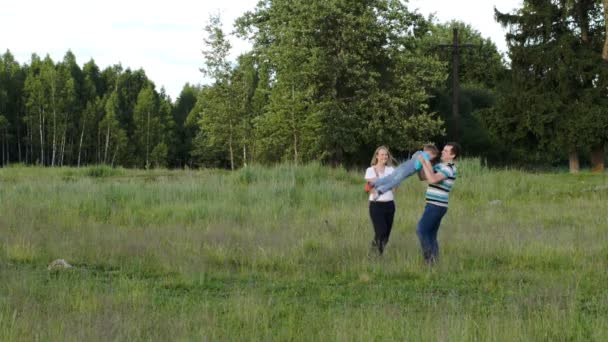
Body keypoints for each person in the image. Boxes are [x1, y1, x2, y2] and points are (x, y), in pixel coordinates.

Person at [415, 142, 460, 265]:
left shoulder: (449, 168)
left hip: (437, 206)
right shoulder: (441, 166)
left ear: (453, 155)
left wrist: (425, 161)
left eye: (446, 151)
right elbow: (424, 176)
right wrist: (420, 164)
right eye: (443, 149)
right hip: (433, 205)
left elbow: (433, 179)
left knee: (421, 230)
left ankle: (429, 261)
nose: (442, 152)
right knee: (431, 234)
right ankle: (434, 263)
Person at [367, 144, 439, 199]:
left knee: (389, 178)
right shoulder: (425, 155)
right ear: (430, 152)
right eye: (433, 156)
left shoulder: (419, 152)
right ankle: (379, 191)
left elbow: (414, 157)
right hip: (407, 170)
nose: (431, 159)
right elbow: (427, 165)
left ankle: (373, 184)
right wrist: (432, 170)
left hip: (403, 166)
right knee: (395, 182)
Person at [364, 146, 396, 257]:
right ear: (377, 156)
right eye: (382, 154)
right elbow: (370, 188)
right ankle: (372, 255)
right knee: (380, 231)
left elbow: (394, 187)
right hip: (376, 205)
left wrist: (379, 182)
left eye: (386, 154)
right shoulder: (370, 170)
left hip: (390, 204)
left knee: (386, 234)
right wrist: (387, 183)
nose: (384, 157)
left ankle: (379, 255)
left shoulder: (391, 170)